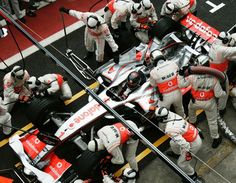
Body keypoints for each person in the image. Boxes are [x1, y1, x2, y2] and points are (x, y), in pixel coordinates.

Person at [178, 68, 226, 148]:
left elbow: (181, 85)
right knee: (212, 121)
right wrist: (224, 92)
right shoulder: (214, 79)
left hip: (195, 102)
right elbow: (218, 94)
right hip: (209, 103)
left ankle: (193, 126)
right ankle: (215, 138)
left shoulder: (192, 77)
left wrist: (180, 75)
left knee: (191, 112)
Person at [155, 107, 204, 183]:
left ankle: (193, 176)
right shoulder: (171, 114)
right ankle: (178, 154)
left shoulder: (170, 129)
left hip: (192, 144)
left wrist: (187, 153)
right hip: (192, 134)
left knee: (182, 164)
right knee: (172, 143)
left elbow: (184, 144)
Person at [149, 49, 185, 118]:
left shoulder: (153, 72)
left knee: (163, 113)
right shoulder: (172, 63)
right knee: (180, 109)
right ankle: (183, 120)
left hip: (165, 97)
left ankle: (168, 125)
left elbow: (153, 84)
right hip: (178, 93)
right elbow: (178, 73)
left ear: (153, 60)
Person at [208, 31, 236, 115]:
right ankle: (221, 109)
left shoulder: (216, 44)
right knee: (224, 94)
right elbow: (232, 51)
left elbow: (228, 56)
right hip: (220, 77)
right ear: (224, 41)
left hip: (214, 72)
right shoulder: (221, 50)